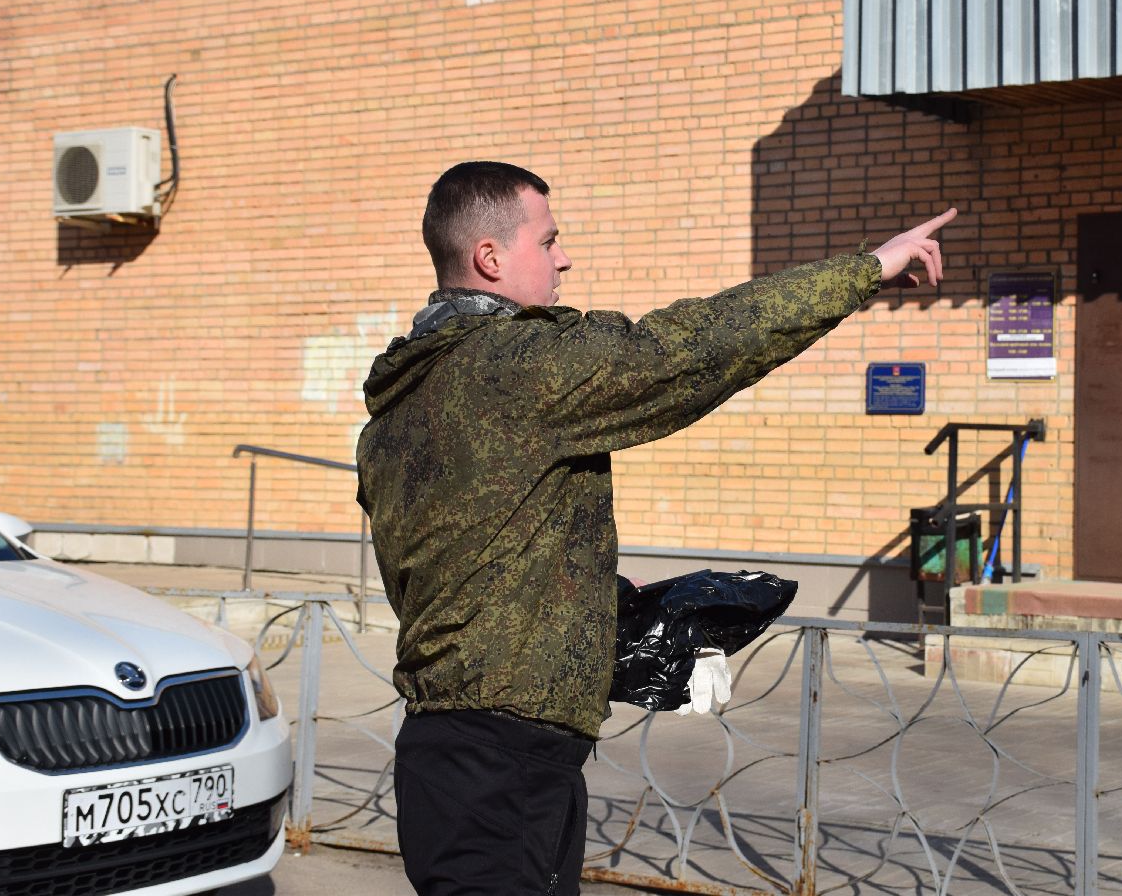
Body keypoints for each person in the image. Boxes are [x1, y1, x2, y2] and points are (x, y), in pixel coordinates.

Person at [356, 160, 955, 895]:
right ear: (489, 258)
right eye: (548, 241)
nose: (564, 257)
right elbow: (689, 349)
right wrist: (865, 270)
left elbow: (461, 573)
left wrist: (598, 601)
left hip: (453, 753)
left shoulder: (399, 408)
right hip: (504, 763)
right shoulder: (514, 367)